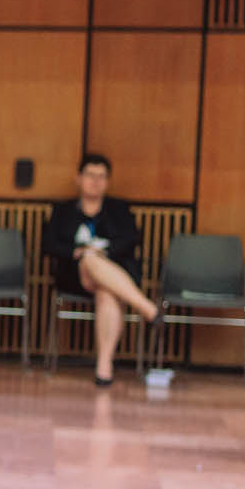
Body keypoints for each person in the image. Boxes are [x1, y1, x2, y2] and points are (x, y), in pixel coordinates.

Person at [41, 152, 160, 385]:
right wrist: (78, 252)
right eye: (90, 175)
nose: (95, 181)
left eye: (101, 177)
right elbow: (49, 244)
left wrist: (104, 252)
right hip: (75, 275)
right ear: (78, 178)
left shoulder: (119, 209)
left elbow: (131, 239)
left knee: (106, 292)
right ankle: (146, 307)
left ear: (107, 181)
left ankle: (104, 367)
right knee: (89, 259)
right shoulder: (63, 211)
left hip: (114, 273)